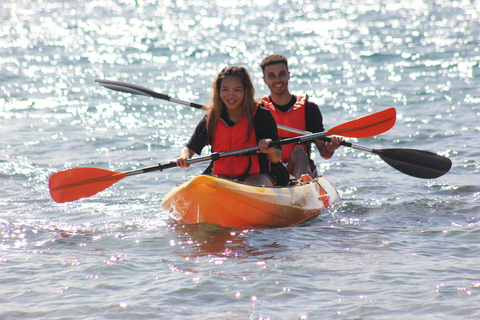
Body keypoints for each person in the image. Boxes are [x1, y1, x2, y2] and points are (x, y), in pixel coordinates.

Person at [176, 66, 289, 186]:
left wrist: (270, 149)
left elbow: (277, 157)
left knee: (251, 184)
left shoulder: (262, 116)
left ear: (246, 90)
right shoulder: (211, 120)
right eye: (225, 89)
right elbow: (189, 148)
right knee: (206, 185)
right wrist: (184, 156)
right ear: (218, 91)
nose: (230, 95)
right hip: (222, 177)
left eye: (237, 90)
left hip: (257, 177)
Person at [260, 54, 343, 179]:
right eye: (271, 76)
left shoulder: (309, 109)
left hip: (298, 167)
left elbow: (324, 153)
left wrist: (331, 147)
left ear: (288, 75)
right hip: (271, 172)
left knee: (299, 150)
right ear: (264, 79)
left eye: (282, 74)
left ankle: (302, 190)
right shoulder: (258, 110)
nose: (277, 80)